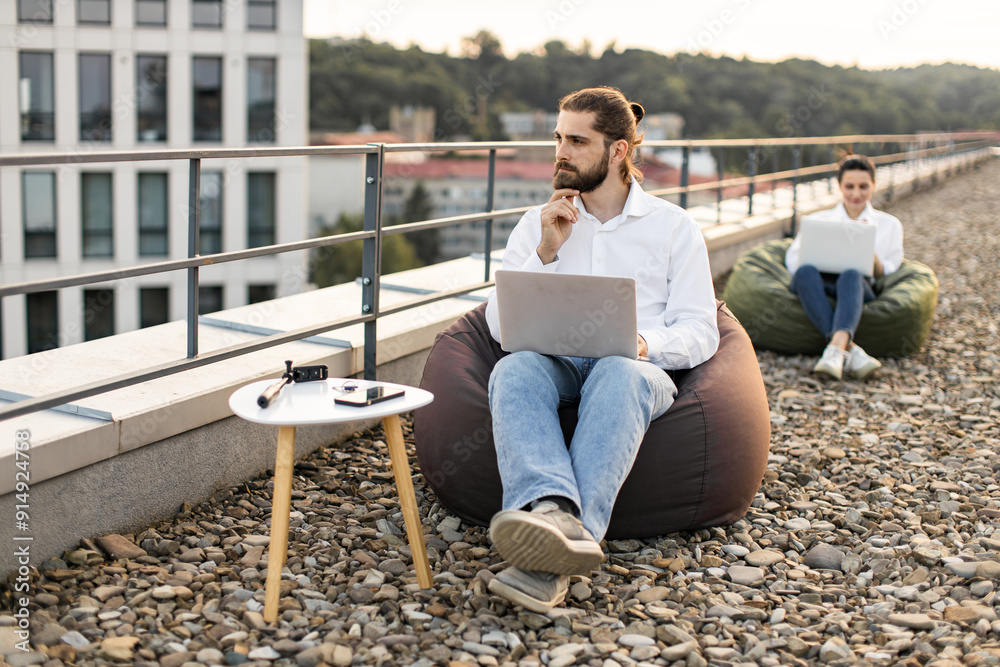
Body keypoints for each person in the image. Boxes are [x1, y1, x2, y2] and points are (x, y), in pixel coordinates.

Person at [481, 87, 720, 612]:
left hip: (636, 368)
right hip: (558, 361)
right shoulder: (537, 224)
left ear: (617, 151)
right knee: (514, 370)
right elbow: (499, 326)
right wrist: (545, 252)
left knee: (618, 371)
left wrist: (643, 343)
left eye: (577, 141)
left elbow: (702, 328)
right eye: (558, 139)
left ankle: (550, 554)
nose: (560, 153)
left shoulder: (672, 227)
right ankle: (551, 511)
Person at [785, 155, 904, 380]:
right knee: (804, 272)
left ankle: (835, 350)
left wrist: (867, 252)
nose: (856, 194)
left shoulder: (889, 224)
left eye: (863, 186)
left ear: (874, 185)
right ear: (840, 186)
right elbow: (792, 259)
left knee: (851, 273)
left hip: (858, 287)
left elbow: (892, 267)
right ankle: (849, 349)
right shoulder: (819, 219)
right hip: (819, 283)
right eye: (849, 186)